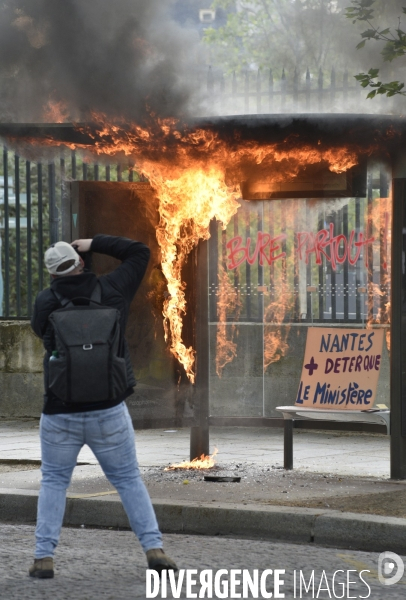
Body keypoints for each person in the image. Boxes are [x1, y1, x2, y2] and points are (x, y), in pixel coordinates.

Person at [29, 235, 178, 579]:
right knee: (127, 479)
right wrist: (92, 243)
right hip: (108, 409)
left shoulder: (46, 301)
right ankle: (154, 550)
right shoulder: (112, 289)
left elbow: (42, 331)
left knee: (53, 481)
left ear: (52, 275)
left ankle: (43, 558)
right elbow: (139, 251)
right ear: (80, 263)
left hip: (60, 411)